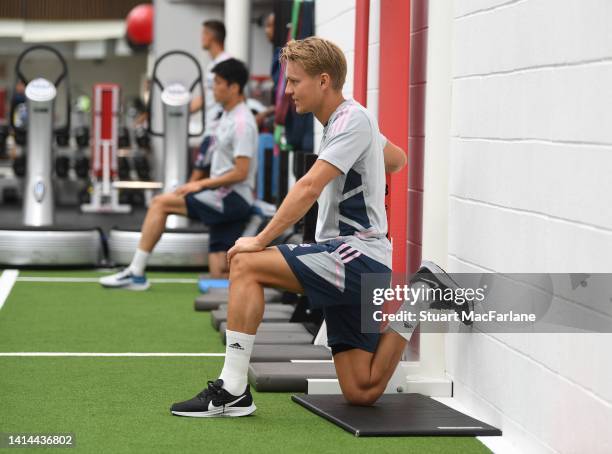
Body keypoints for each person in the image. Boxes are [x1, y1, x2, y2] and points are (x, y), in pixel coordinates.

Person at [169, 37, 428, 417]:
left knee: (245, 263)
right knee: (362, 389)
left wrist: (258, 239)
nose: (287, 91)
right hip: (364, 263)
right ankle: (420, 298)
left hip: (351, 258)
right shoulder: (353, 120)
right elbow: (398, 159)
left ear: (323, 81)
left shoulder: (351, 120)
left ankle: (233, 389)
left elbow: (308, 186)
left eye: (295, 81)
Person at [99, 58, 258, 288]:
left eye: (218, 83)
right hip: (223, 197)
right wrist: (197, 181)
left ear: (234, 87)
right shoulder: (226, 115)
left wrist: (199, 185)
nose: (213, 89)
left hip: (230, 198)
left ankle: (135, 272)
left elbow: (241, 172)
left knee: (160, 204)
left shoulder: (243, 122)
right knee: (220, 271)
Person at [190, 20, 231, 178]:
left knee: (196, 179)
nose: (201, 38)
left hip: (217, 131)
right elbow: (205, 98)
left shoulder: (226, 63)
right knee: (206, 179)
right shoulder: (212, 65)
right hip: (211, 130)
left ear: (210, 36)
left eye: (203, 34)